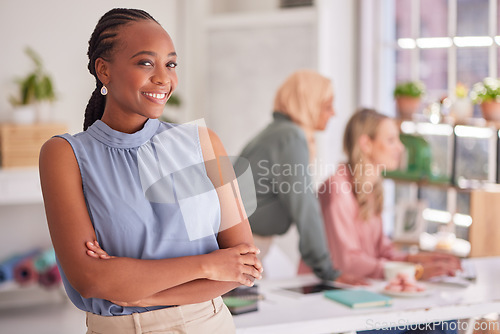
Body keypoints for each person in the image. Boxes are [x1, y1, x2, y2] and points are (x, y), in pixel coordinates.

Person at [39, 8, 262, 334]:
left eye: (170, 64)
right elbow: (90, 279)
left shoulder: (204, 144)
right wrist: (208, 265)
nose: (163, 77)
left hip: (208, 325)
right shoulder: (65, 154)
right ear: (104, 70)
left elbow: (245, 267)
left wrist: (138, 292)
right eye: (145, 62)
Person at [298, 108, 460, 334]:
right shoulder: (337, 188)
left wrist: (420, 259)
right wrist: (415, 270)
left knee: (445, 322)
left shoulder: (372, 188)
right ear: (366, 144)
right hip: (330, 297)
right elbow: (348, 261)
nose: (401, 147)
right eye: (391, 140)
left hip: (366, 291)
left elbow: (382, 250)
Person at [239, 70, 365, 284]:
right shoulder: (290, 136)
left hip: (247, 246)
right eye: (327, 106)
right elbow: (305, 206)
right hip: (243, 247)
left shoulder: (278, 132)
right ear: (307, 104)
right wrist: (327, 270)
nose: (333, 113)